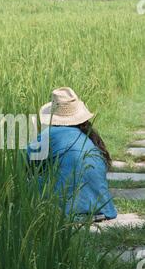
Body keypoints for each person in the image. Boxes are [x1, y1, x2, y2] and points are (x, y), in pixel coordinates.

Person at [27, 87, 117, 221]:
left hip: (65, 209)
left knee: (27, 181)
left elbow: (23, 163)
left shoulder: (49, 134)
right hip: (101, 207)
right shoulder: (88, 137)